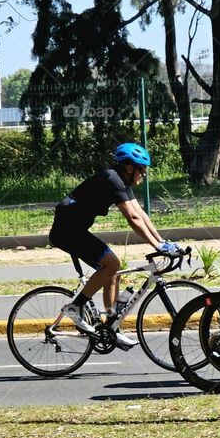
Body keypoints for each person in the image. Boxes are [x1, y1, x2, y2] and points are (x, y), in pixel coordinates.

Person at [50, 142, 179, 347]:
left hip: (75, 229)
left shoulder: (122, 181)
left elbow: (140, 214)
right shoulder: (113, 180)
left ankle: (111, 326)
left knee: (111, 270)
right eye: (142, 169)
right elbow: (132, 219)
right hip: (66, 231)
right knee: (112, 264)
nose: (144, 174)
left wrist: (162, 242)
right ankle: (75, 307)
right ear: (130, 167)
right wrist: (157, 247)